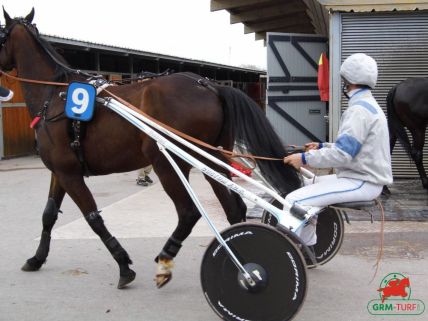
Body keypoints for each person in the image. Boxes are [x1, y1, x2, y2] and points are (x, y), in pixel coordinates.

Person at [283, 53, 393, 247]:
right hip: (359, 176)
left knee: (293, 200)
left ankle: (290, 251)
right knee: (307, 184)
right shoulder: (367, 106)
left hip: (362, 181)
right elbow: (353, 148)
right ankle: (307, 244)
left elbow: (343, 154)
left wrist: (304, 158)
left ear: (347, 81)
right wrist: (322, 146)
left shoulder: (358, 110)